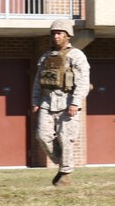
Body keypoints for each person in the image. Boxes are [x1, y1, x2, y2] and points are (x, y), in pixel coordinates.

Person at [31, 18, 90, 187]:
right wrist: (35, 100)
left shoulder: (76, 56)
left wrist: (76, 103)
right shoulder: (45, 57)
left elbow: (83, 82)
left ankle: (65, 173)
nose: (56, 37)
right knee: (42, 135)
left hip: (67, 103)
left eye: (59, 33)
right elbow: (37, 81)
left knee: (66, 138)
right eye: (54, 34)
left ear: (68, 36)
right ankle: (63, 161)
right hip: (47, 103)